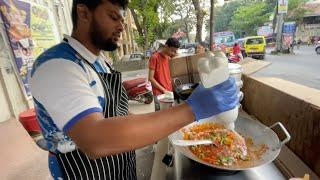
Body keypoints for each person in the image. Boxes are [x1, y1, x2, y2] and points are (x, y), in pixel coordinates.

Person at [30, 0, 239, 179]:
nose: (121, 26)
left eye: (122, 19)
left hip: (119, 167)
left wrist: (166, 122)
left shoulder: (99, 62)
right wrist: (191, 109)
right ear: (84, 13)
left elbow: (121, 115)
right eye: (113, 17)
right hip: (86, 171)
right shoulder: (57, 66)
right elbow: (95, 140)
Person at [148, 38, 179, 111]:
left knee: (169, 115)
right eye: (172, 50)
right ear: (166, 46)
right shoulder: (154, 57)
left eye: (175, 51)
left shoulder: (168, 58)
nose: (173, 53)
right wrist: (164, 90)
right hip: (159, 93)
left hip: (169, 91)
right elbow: (150, 78)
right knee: (160, 117)